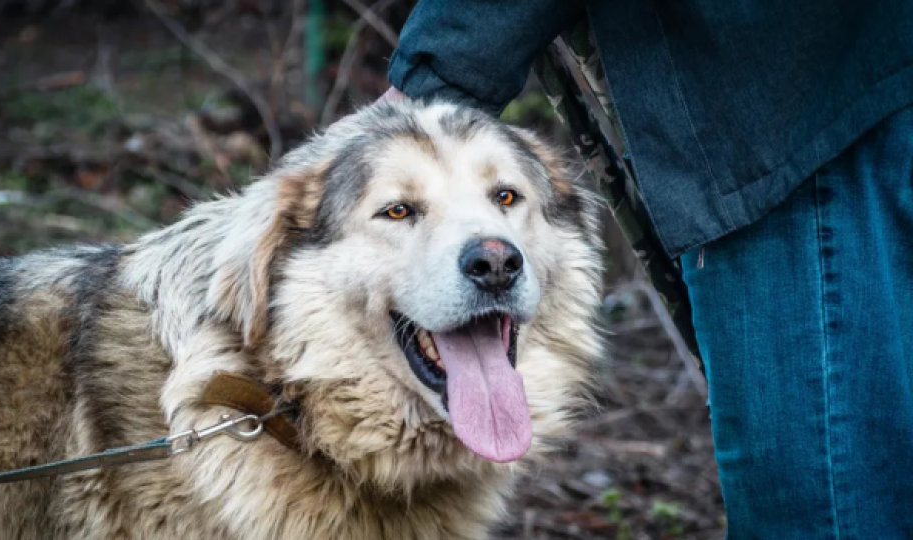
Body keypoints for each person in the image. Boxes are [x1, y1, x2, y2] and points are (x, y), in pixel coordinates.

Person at [378, 1, 913, 538]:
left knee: (823, 509)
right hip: (855, 77)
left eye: (506, 197)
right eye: (400, 210)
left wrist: (432, 75)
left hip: (788, 110)